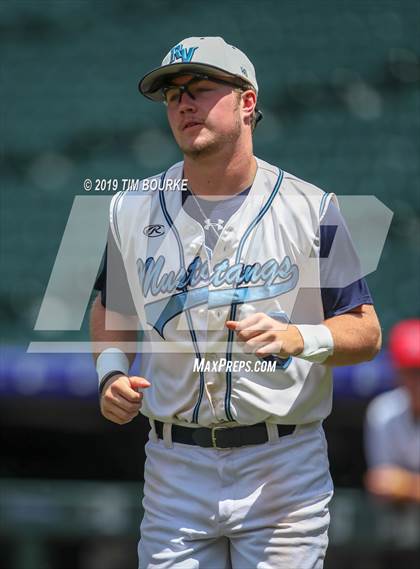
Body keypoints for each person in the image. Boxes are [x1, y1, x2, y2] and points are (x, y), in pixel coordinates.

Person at [90, 36, 382, 569]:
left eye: (200, 89)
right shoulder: (129, 208)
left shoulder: (311, 208)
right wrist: (111, 372)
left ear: (247, 102)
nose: (183, 104)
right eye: (172, 95)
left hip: (282, 465)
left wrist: (301, 338)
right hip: (174, 465)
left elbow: (365, 331)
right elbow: (112, 308)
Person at [364, 319, 420, 503]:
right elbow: (381, 482)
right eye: (411, 372)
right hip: (399, 518)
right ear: (399, 373)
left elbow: (393, 483)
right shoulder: (384, 411)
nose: (416, 381)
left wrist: (404, 484)